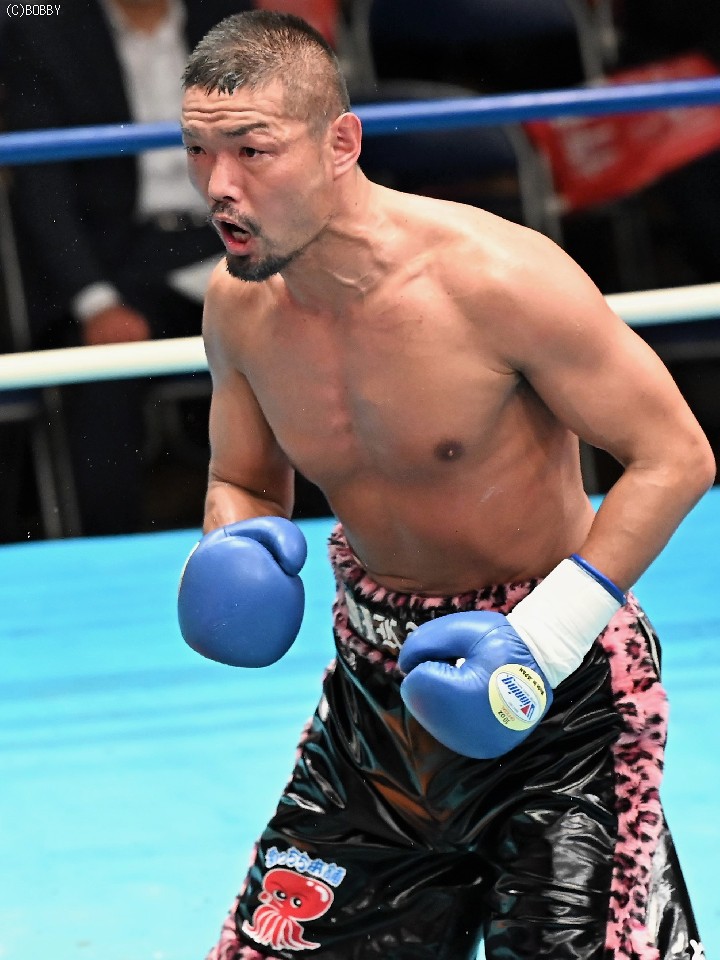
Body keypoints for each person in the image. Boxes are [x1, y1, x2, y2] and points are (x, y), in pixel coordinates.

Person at [176, 11, 715, 959]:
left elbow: (676, 455)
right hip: (374, 707)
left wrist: (544, 639)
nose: (220, 185)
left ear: (341, 143)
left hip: (560, 706)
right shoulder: (239, 307)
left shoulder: (498, 280)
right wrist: (232, 538)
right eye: (198, 151)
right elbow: (243, 477)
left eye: (252, 151)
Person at [0, 0, 251, 535]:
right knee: (100, 375)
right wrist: (96, 300)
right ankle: (104, 559)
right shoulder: (45, 26)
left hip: (232, 240)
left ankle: (328, 541)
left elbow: (276, 151)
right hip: (119, 264)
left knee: (306, 340)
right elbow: (41, 188)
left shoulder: (229, 17)